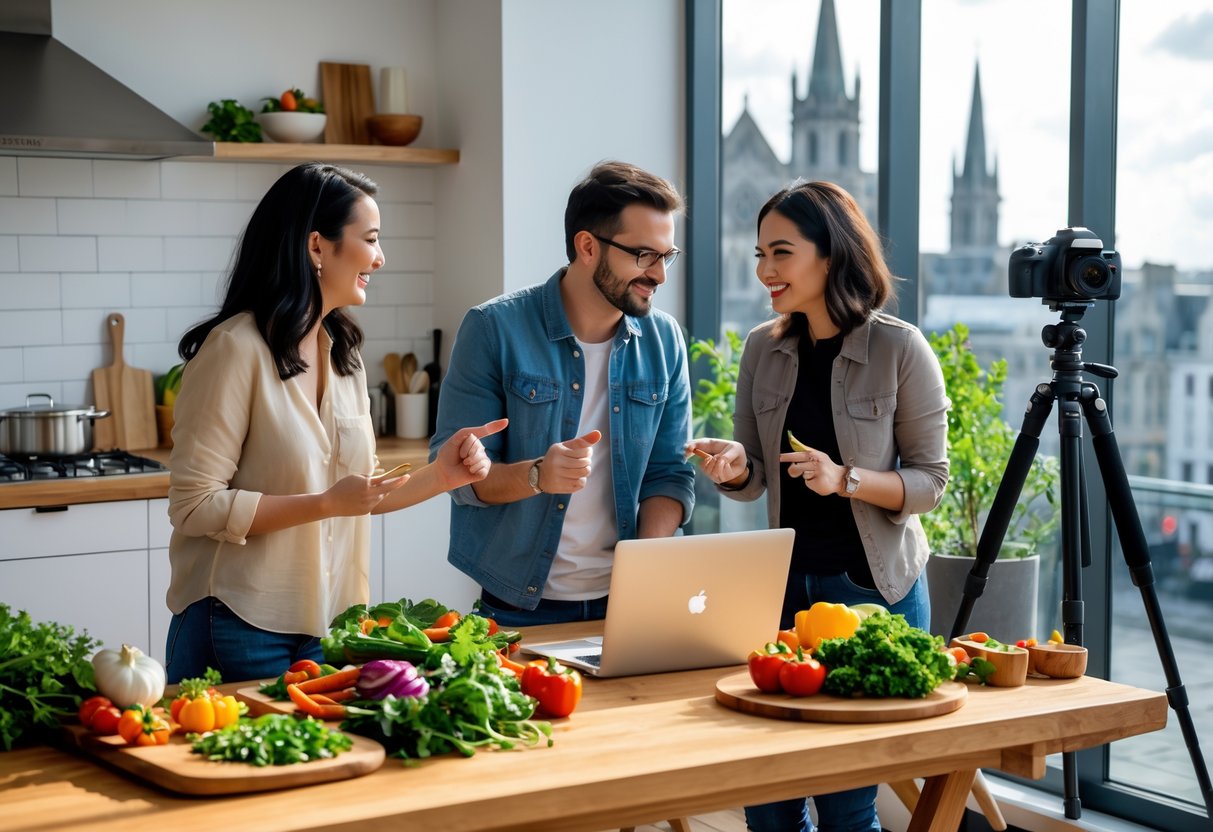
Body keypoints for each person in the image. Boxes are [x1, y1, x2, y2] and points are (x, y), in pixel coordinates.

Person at [165, 162, 505, 684]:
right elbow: (193, 506)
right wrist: (324, 505)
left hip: (329, 629)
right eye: (370, 239)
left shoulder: (343, 354)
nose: (380, 257)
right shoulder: (235, 349)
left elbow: (360, 492)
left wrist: (443, 475)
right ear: (317, 246)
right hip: (236, 622)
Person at [686, 180, 949, 832]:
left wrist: (846, 480)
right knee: (767, 799)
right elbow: (752, 475)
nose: (763, 270)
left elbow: (929, 483)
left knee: (844, 804)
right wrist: (733, 466)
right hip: (779, 596)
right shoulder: (761, 348)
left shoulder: (898, 349)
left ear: (829, 255)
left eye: (780, 252)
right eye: (758, 254)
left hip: (870, 594)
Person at [430, 160, 696, 627]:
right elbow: (456, 476)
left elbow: (669, 474)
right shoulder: (494, 329)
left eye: (666, 256)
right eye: (643, 256)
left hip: (628, 602)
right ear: (588, 246)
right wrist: (537, 475)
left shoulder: (665, 338)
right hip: (519, 604)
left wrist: (647, 571)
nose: (660, 276)